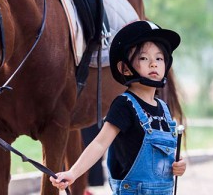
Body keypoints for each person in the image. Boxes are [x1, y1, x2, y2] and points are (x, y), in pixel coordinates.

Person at [50, 20, 186, 194]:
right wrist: (73, 173)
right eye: (144, 58)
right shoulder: (125, 105)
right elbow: (100, 143)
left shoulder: (164, 109)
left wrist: (177, 164)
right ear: (125, 68)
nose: (153, 63)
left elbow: (163, 157)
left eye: (159, 58)